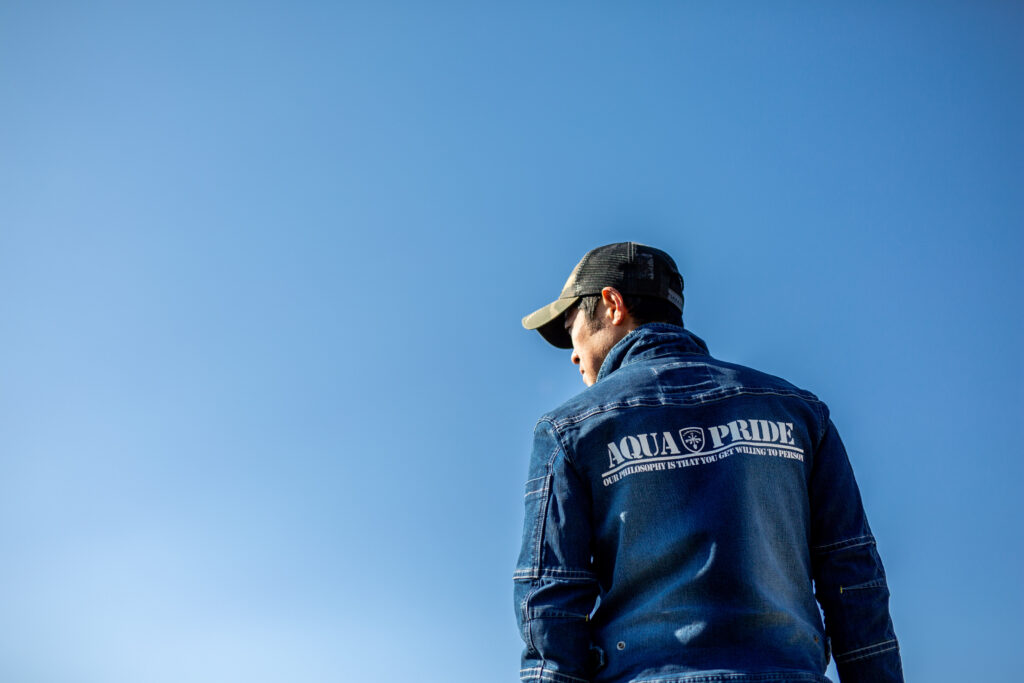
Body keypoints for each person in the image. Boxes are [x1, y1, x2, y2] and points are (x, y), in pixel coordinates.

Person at [515, 242, 902, 683]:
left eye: (571, 328)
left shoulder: (570, 430)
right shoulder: (799, 414)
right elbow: (854, 581)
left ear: (612, 304)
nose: (573, 353)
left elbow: (551, 606)